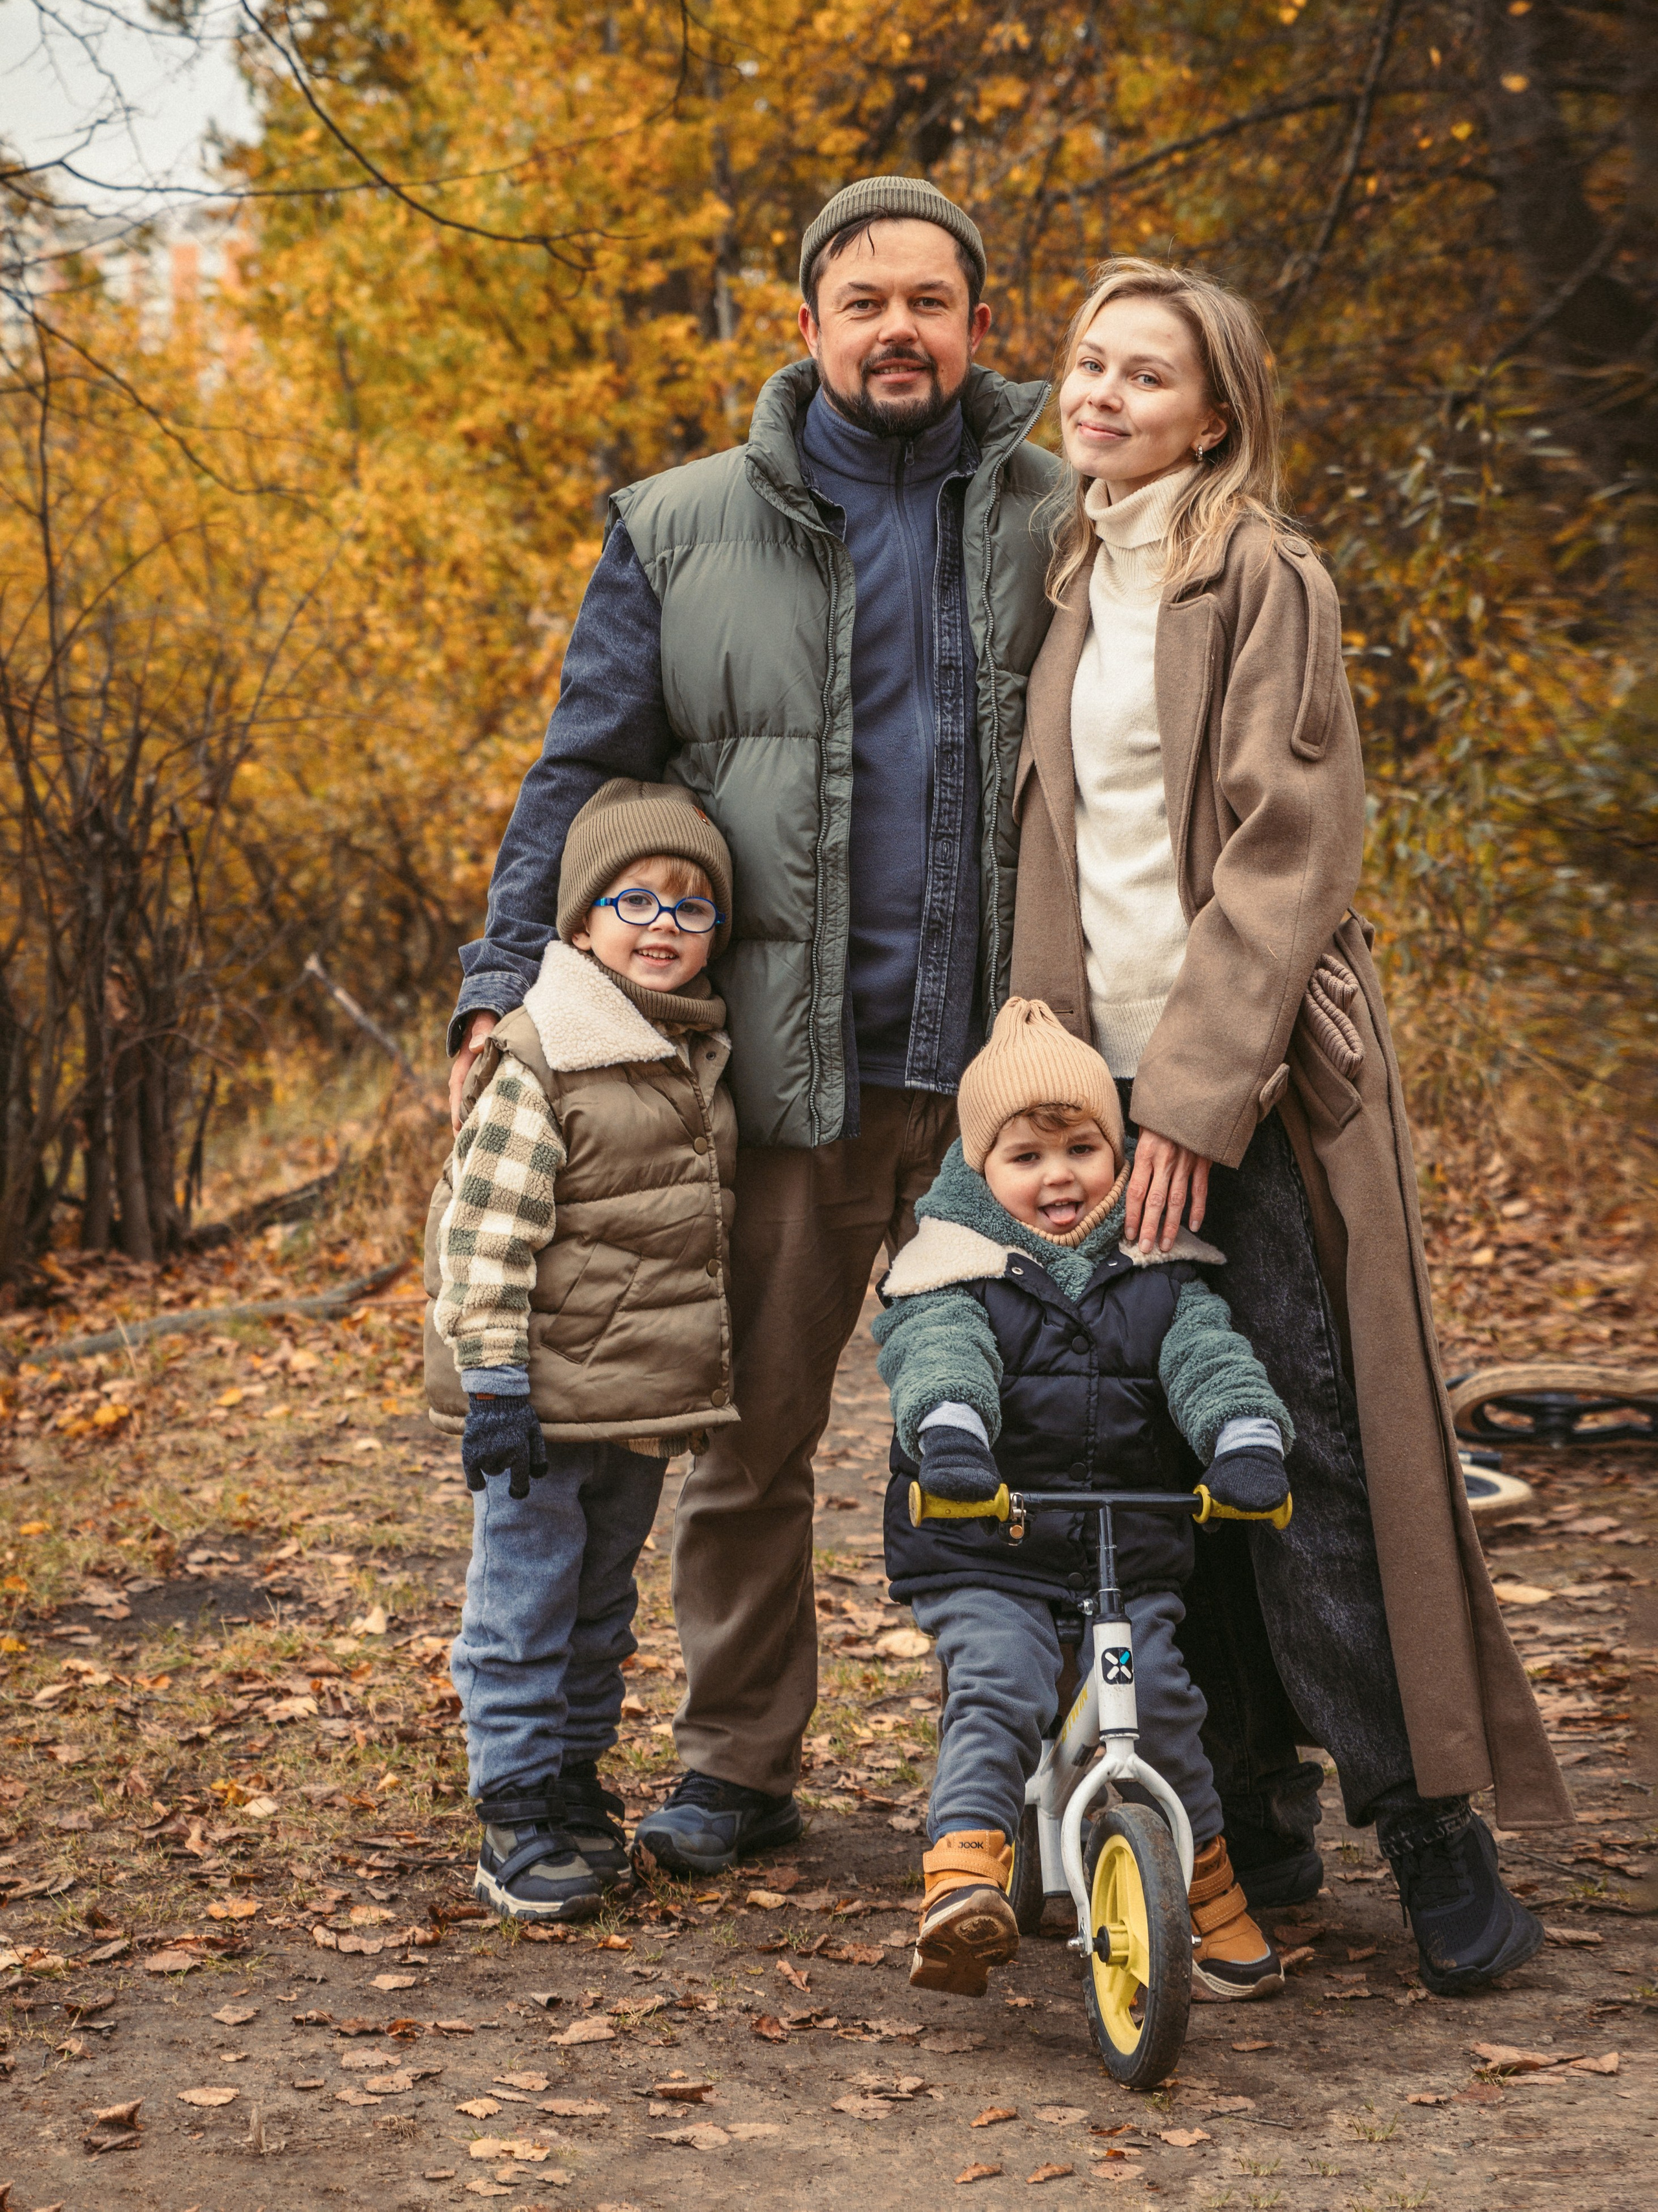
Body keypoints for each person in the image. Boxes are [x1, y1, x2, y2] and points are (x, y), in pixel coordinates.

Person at [444, 176, 1062, 1875]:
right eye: (864, 302)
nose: (899, 330)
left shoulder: (1063, 514)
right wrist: (506, 977)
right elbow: (584, 767)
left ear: (980, 328)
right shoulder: (681, 525)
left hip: (1015, 1085)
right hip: (794, 1077)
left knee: (1029, 1442)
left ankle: (1032, 1784)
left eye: (931, 302)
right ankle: (737, 1764)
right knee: (750, 1441)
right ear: (809, 328)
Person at [1008, 255, 1570, 1994]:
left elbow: (1285, 850)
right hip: (1090, 1098)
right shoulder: (1067, 573)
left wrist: (1192, 1097)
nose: (1102, 395)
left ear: (1217, 413)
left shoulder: (1260, 572)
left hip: (1246, 1084)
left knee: (1309, 1449)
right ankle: (1250, 1812)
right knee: (1153, 1457)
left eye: (1147, 377)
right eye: (1089, 363)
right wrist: (1059, 1097)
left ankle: (1430, 1830)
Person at [874, 998, 1295, 2001]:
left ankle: (1205, 1892)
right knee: (1003, 1679)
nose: (1057, 1176)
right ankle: (964, 1876)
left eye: (1081, 1147)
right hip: (989, 1547)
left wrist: (1243, 1444)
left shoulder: (1162, 1274)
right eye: (1026, 1155)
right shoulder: (953, 1274)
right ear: (981, 1174)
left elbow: (1213, 1363)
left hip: (1123, 1555)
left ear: (1122, 1155)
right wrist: (951, 1436)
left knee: (1160, 1700)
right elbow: (938, 1355)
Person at [425, 779, 740, 1919]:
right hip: (539, 1403)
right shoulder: (542, 1053)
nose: (664, 924)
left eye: (692, 907)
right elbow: (488, 1237)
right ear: (577, 924)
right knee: (524, 1603)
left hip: (632, 1402)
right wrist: (496, 1381)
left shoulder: (688, 1049)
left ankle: (570, 1782)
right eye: (635, 899)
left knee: (601, 1608)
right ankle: (510, 1811)